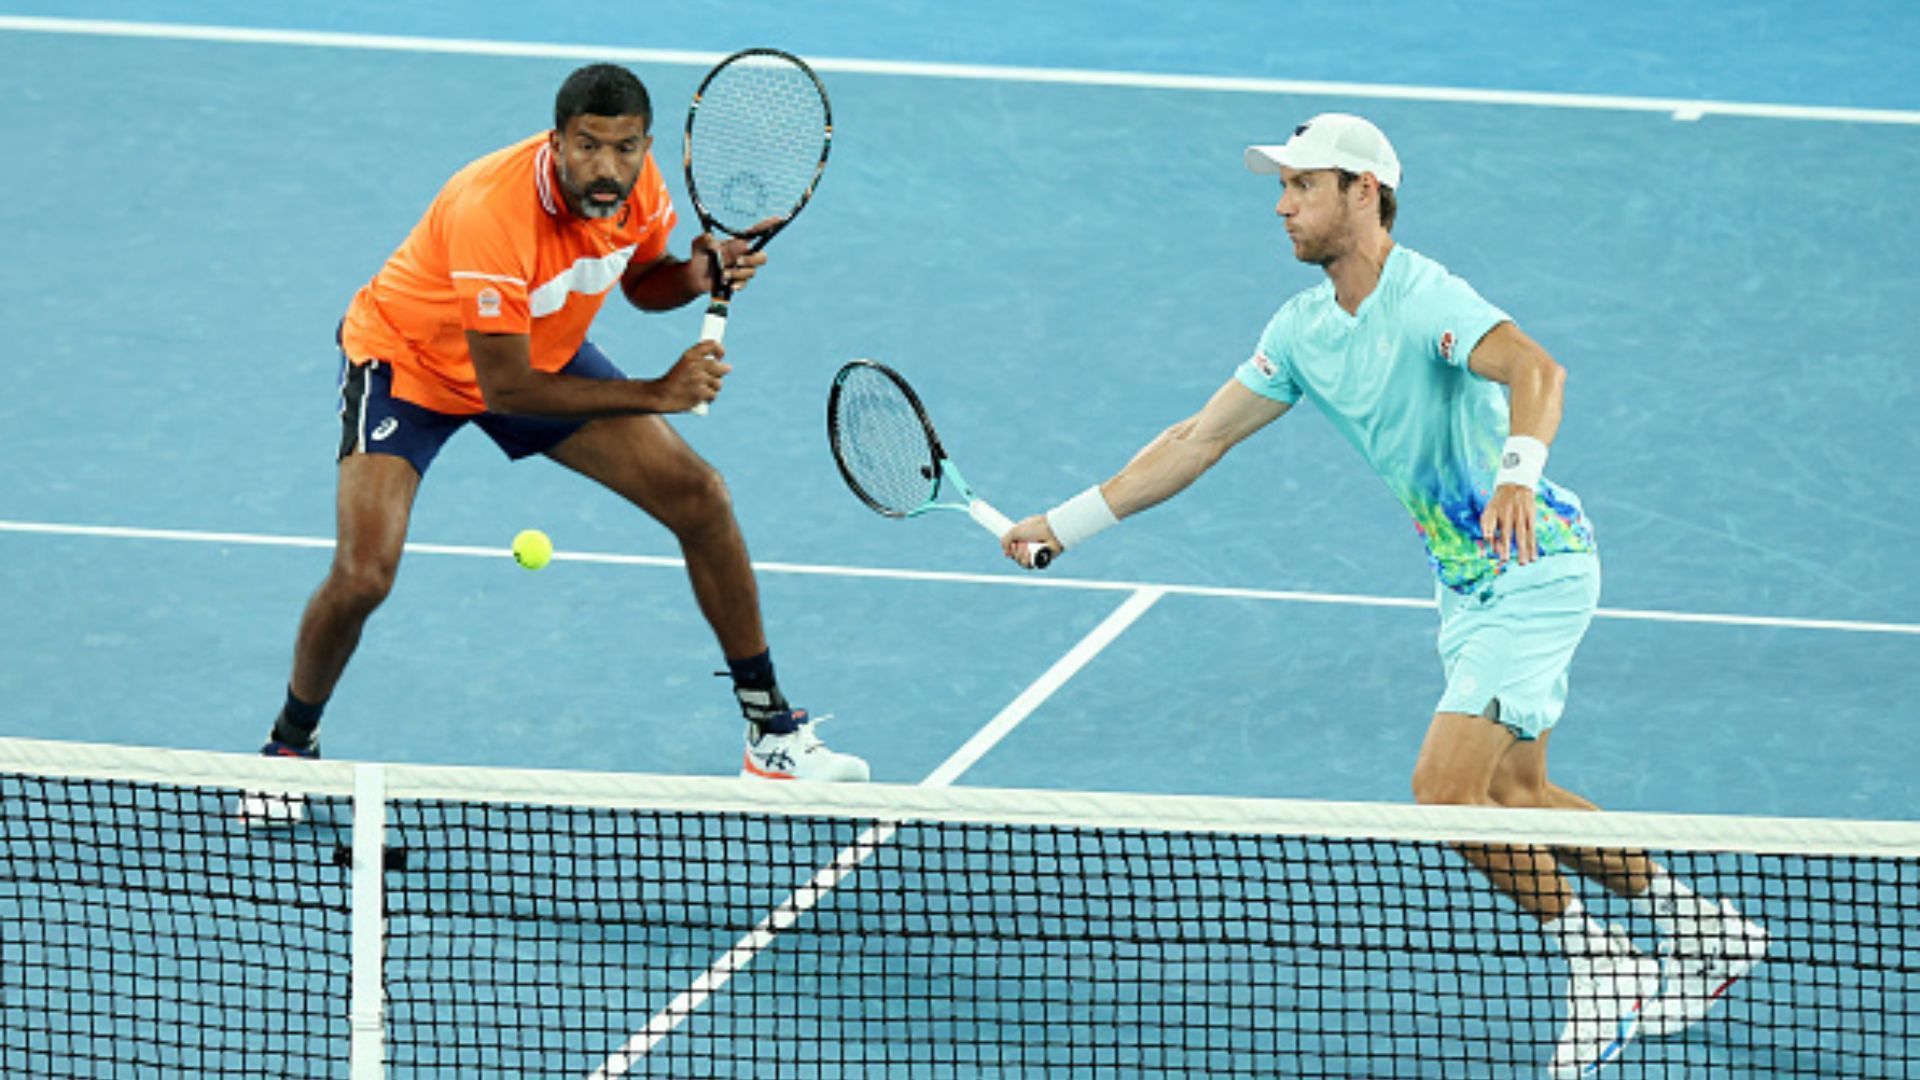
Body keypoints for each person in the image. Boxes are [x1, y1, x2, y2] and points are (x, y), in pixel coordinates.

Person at [1001, 113, 1766, 1074]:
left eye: (1303, 186)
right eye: (1282, 187)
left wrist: (1518, 475)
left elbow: (1536, 368)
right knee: (1515, 795)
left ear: (1364, 192)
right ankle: (1704, 931)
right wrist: (1062, 524)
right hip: (1468, 584)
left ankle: (1602, 960)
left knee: (1444, 792)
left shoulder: (1425, 296)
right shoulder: (1302, 330)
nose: (1282, 206)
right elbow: (1199, 437)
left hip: (1535, 564)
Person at [257, 63, 866, 783]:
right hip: (410, 366)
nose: (607, 167)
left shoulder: (640, 187)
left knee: (700, 497)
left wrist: (696, 275)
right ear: (557, 142)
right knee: (364, 576)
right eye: (588, 147)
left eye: (625, 148)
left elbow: (643, 283)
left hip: (538, 347)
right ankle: (289, 747)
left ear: (645, 145)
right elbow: (507, 389)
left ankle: (770, 732)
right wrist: (656, 392)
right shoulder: (492, 210)